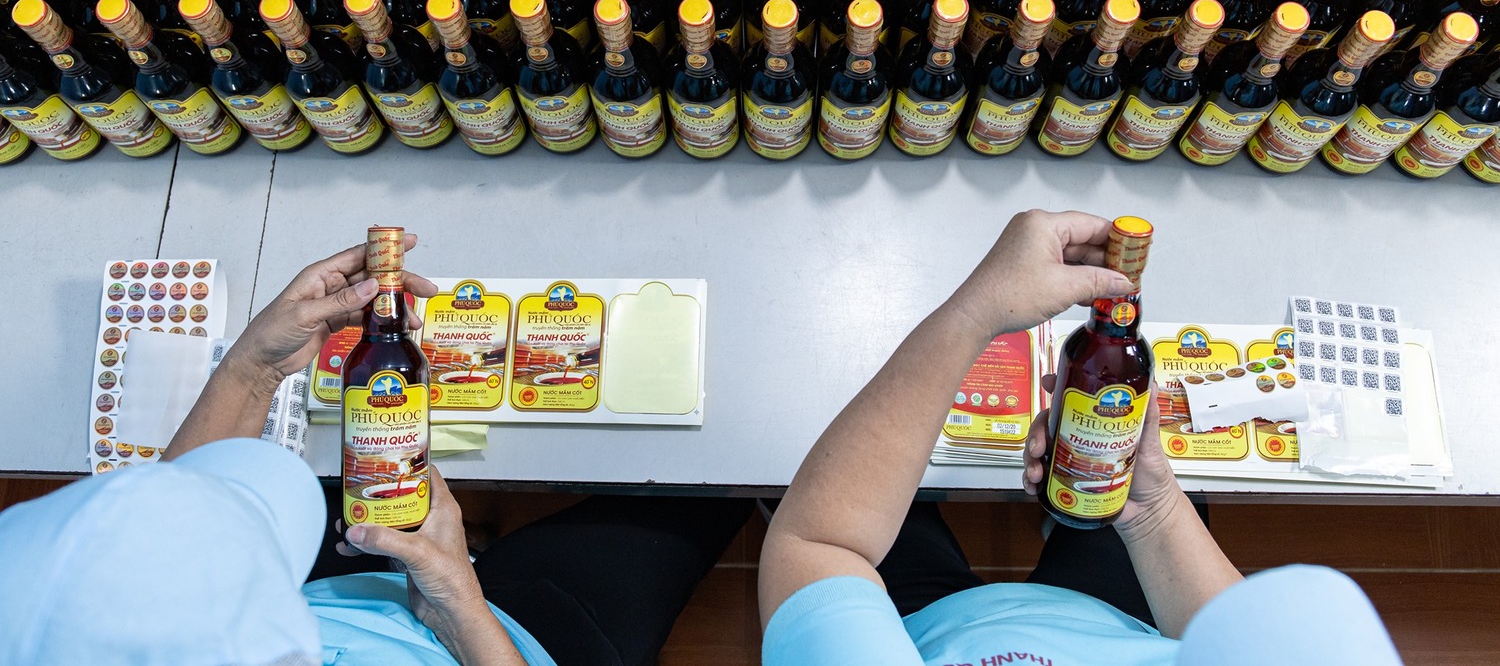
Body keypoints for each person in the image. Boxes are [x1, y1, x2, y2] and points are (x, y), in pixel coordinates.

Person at [0, 236, 749, 666]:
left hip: (348, 581)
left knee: (345, 490)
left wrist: (255, 365)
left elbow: (168, 536)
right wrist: (460, 608)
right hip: (514, 636)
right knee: (706, 494)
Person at [758, 209, 1405, 665]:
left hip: (916, 630)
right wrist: (1153, 510)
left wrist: (977, 310)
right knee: (1173, 508)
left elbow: (820, 545)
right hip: (1109, 617)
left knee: (821, 467)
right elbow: (1236, 636)